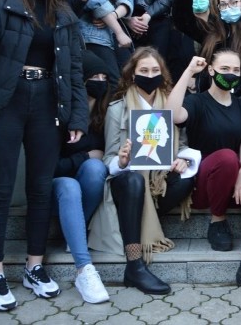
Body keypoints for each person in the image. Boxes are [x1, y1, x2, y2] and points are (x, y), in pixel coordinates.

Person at [0, 0, 88, 312]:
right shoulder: (2, 2)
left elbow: (76, 69)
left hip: (48, 103)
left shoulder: (62, 13)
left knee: (39, 189)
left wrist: (78, 117)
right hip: (7, 99)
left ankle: (34, 267)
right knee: (0, 191)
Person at [166, 52, 241, 293]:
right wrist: (189, 71)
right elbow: (171, 114)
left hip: (235, 184)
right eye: (224, 68)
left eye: (235, 69)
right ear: (211, 70)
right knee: (226, 157)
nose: (230, 74)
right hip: (204, 186)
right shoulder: (197, 102)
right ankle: (217, 220)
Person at [90, 47, 197, 296]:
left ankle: (143, 217)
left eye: (155, 70)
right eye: (144, 70)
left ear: (163, 74)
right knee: (134, 182)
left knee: (185, 180)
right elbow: (108, 159)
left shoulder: (171, 106)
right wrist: (123, 161)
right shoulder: (118, 109)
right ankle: (135, 264)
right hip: (127, 182)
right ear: (132, 74)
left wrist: (182, 159)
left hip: (159, 181)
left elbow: (183, 146)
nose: (150, 75)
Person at [51, 51, 111, 304]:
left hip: (88, 184)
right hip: (58, 184)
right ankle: (84, 268)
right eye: (92, 77)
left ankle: (72, 231)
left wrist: (91, 161)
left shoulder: (106, 113)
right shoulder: (60, 115)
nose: (98, 81)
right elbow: (49, 167)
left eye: (103, 77)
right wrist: (84, 157)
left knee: (97, 169)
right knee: (70, 185)